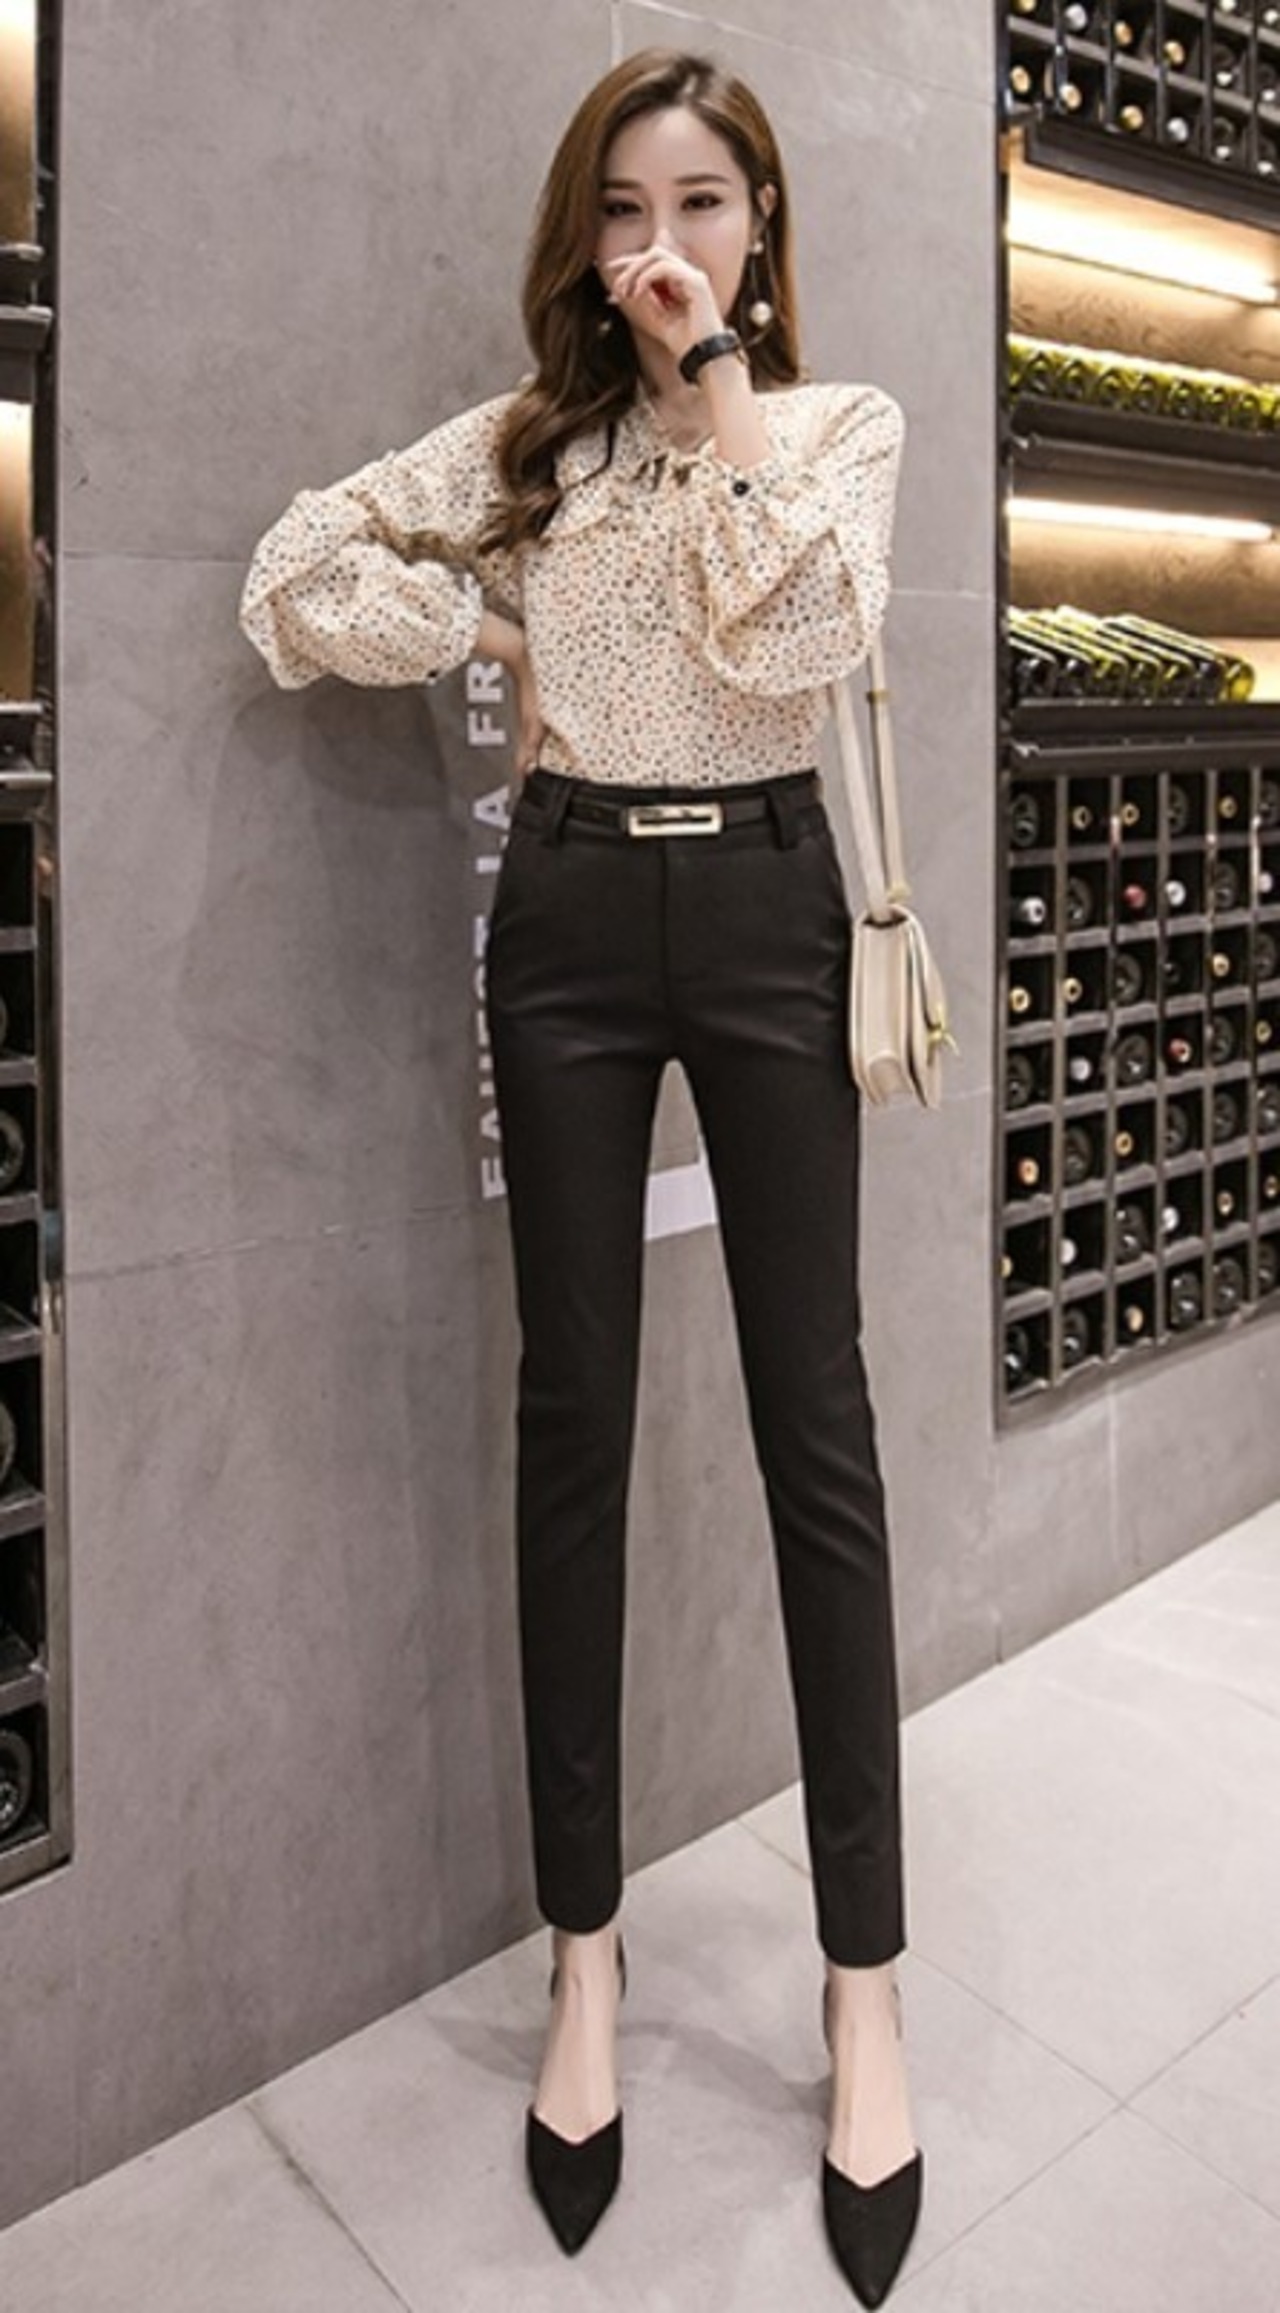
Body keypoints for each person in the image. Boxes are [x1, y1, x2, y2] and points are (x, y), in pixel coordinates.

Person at [238, 44, 922, 2306]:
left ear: (760, 223)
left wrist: (717, 384)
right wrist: (494, 621)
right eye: (626, 206)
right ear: (581, 230)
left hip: (769, 910)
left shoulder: (833, 428)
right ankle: (587, 1960)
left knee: (816, 1423)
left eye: (702, 200)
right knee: (573, 1424)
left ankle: (863, 1988)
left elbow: (805, 634)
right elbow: (294, 573)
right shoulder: (530, 449)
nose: (660, 240)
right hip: (562, 920)